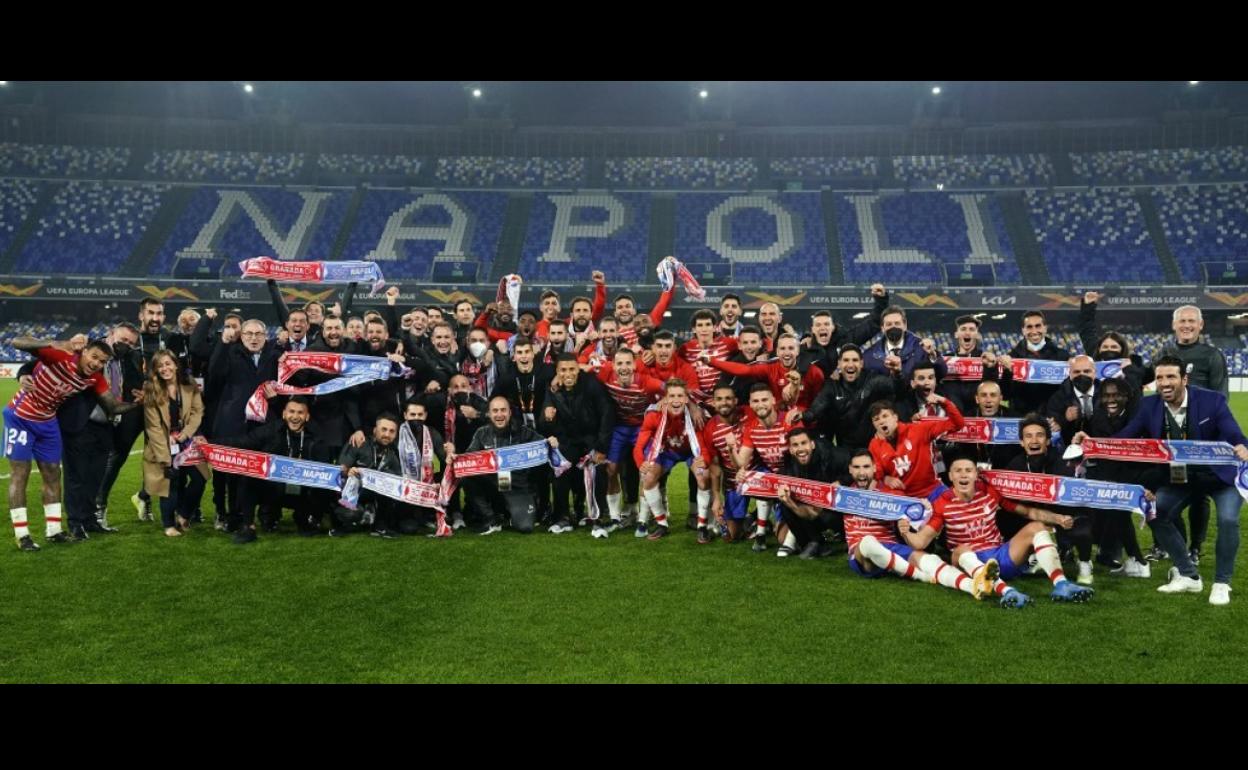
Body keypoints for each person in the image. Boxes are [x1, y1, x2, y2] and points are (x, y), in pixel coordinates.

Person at [1073, 355, 1248, 605]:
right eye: (1159, 377)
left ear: (1184, 379)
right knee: (1156, 512)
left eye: (1170, 377)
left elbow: (1233, 433)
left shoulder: (1212, 401)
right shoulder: (1150, 406)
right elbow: (1126, 439)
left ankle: (1222, 582)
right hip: (1181, 478)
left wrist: (1241, 446)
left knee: (1229, 520)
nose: (1164, 382)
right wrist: (1090, 443)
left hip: (1219, 476)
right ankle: (1189, 575)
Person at [899, 456, 1095, 607]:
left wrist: (1057, 519)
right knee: (960, 550)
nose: (964, 475)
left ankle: (1061, 585)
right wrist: (906, 531)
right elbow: (921, 543)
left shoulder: (989, 492)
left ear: (976, 474)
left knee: (1037, 527)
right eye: (958, 471)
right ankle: (1007, 592)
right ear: (950, 477)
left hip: (998, 555)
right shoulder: (942, 503)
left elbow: (1027, 512)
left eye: (968, 470)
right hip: (969, 562)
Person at [5, 335, 138, 551]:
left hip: (48, 421)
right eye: (94, 357)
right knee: (21, 473)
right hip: (21, 417)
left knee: (52, 473)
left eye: (102, 361)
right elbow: (17, 342)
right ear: (84, 351)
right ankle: (22, 536)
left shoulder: (95, 378)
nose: (96, 364)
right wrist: (52, 343)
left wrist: (138, 403)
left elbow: (112, 407)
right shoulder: (59, 355)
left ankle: (54, 530)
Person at [838, 449, 982, 599]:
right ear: (850, 469)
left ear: (874, 468)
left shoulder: (892, 494)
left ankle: (973, 587)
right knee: (867, 542)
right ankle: (918, 575)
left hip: (890, 546)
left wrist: (924, 509)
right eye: (856, 467)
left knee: (929, 560)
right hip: (861, 552)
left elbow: (918, 521)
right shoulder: (841, 495)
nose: (862, 472)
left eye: (866, 467)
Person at [1158, 304, 1229, 565]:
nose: (1186, 325)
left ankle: (1195, 547)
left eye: (1191, 321)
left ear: (1200, 326)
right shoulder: (1165, 352)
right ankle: (1166, 544)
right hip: (1170, 436)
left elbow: (1221, 397)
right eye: (1182, 321)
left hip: (1201, 438)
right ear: (1174, 325)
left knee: (1199, 493)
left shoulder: (1212, 355)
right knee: (1170, 485)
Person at [1005, 416, 1092, 583]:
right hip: (1035, 516)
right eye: (1028, 436)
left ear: (1048, 440)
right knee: (1005, 518)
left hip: (1066, 514)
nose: (1034, 440)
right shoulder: (1015, 465)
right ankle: (1035, 553)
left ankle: (1085, 561)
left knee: (1081, 526)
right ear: (1021, 442)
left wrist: (1057, 520)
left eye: (1040, 435)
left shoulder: (1062, 462)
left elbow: (1076, 496)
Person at [457, 397, 559, 535]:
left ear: (510, 413)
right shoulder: (482, 433)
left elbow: (543, 444)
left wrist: (550, 442)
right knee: (466, 476)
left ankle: (513, 512)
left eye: (503, 410)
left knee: (525, 527)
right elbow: (469, 458)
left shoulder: (524, 432)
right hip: (493, 485)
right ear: (489, 414)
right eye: (495, 411)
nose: (499, 414)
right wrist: (455, 457)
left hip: (517, 487)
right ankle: (491, 518)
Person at [538, 354, 613, 535]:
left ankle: (597, 518)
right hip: (568, 442)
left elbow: (607, 413)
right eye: (563, 370)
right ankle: (563, 517)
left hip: (592, 440)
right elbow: (543, 423)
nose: (568, 374)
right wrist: (548, 418)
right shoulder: (552, 389)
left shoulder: (592, 384)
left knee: (597, 471)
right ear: (557, 372)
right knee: (558, 469)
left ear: (578, 369)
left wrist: (602, 447)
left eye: (572, 369)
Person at [633, 378, 714, 541]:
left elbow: (703, 446)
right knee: (648, 477)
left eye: (679, 396)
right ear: (665, 399)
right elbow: (639, 446)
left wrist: (704, 461)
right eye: (672, 396)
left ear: (686, 399)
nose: (676, 400)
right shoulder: (653, 416)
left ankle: (703, 525)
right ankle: (661, 524)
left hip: (691, 452)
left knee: (704, 477)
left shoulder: (695, 417)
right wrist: (641, 463)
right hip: (667, 452)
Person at [595, 347, 665, 529]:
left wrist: (662, 402)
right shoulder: (605, 375)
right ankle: (614, 518)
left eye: (627, 363)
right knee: (610, 470)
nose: (624, 367)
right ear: (613, 365)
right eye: (619, 363)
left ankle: (642, 519)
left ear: (634, 365)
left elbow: (668, 388)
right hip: (618, 428)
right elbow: (588, 379)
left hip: (642, 429)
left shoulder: (646, 382)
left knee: (646, 472)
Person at [141, 350, 208, 538]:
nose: (165, 368)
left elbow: (197, 412)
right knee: (170, 482)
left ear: (176, 365)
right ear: (155, 370)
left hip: (187, 442)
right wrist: (165, 458)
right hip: (163, 443)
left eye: (168, 364)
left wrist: (184, 434)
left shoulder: (189, 385)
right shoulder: (151, 390)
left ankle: (184, 514)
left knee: (200, 478)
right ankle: (168, 525)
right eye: (160, 366)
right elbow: (153, 428)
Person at [735, 384, 804, 553]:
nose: (760, 404)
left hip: (795, 477)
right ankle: (760, 533)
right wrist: (740, 468)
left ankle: (792, 538)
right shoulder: (751, 428)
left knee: (782, 537)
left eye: (764, 400)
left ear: (773, 400)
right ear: (750, 404)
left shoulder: (788, 422)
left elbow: (803, 455)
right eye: (756, 401)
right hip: (773, 479)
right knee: (756, 477)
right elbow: (742, 461)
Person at [867, 394, 964, 502]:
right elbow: (877, 473)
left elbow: (957, 424)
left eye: (885, 416)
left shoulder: (919, 429)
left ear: (895, 417)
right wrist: (886, 479)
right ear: (873, 424)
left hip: (932, 490)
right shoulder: (874, 445)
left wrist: (944, 402)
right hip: (903, 496)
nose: (881, 422)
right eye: (876, 419)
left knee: (956, 507)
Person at [801, 344, 894, 451]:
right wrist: (801, 415)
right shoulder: (832, 386)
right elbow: (816, 409)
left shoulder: (873, 379)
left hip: (874, 446)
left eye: (854, 360)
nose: (850, 364)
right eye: (846, 360)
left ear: (861, 363)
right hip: (845, 450)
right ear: (839, 364)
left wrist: (897, 374)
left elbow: (896, 387)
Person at [702, 333, 825, 413]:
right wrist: (711, 361)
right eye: (782, 349)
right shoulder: (770, 368)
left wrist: (805, 414)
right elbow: (745, 370)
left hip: (805, 421)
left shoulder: (814, 372)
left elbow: (818, 401)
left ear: (798, 351)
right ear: (777, 352)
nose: (786, 353)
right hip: (777, 419)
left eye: (791, 348)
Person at [775, 428, 849, 559]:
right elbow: (769, 486)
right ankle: (813, 543)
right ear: (791, 449)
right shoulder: (789, 466)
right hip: (812, 509)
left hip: (837, 509)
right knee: (785, 505)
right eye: (795, 445)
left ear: (812, 444)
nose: (801, 448)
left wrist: (841, 482)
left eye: (804, 443)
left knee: (827, 517)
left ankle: (847, 537)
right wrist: (745, 479)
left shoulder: (831, 455)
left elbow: (858, 466)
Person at [337, 414, 403, 538]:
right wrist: (348, 471)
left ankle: (380, 526)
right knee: (351, 514)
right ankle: (338, 525)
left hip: (373, 495)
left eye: (391, 431)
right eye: (383, 429)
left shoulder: (393, 453)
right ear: (374, 430)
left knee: (391, 481)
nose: (387, 434)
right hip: (351, 492)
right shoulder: (359, 443)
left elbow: (399, 480)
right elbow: (340, 469)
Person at [1006, 310, 1070, 416]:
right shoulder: (1012, 358)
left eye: (1038, 326)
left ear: (1045, 328)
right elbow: (1006, 394)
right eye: (1029, 327)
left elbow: (1067, 392)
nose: (1034, 331)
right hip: (1021, 418)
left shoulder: (1062, 356)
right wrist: (1007, 371)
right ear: (1023, 330)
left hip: (1052, 418)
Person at [862, 306, 946, 383]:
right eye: (889, 324)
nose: (893, 327)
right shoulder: (870, 355)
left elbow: (941, 374)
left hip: (913, 398)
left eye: (897, 323)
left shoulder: (921, 349)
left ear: (905, 325)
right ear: (882, 328)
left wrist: (933, 355)